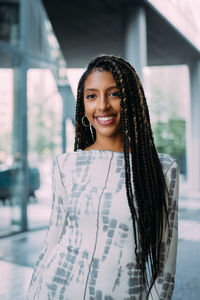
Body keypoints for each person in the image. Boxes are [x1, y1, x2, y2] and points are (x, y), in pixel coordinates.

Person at [26, 55, 179, 300]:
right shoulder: (66, 165)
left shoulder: (161, 169)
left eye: (114, 93)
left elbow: (166, 262)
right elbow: (51, 242)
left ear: (131, 100)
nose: (102, 106)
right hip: (56, 289)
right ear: (83, 106)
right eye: (91, 96)